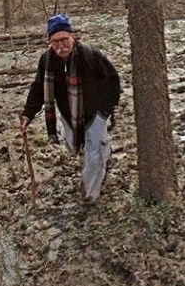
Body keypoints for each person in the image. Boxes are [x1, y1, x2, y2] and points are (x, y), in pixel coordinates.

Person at [20, 13, 121, 203]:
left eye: (64, 39)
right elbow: (38, 89)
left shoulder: (90, 55)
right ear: (49, 42)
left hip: (95, 113)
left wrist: (105, 111)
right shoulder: (47, 61)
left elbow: (113, 81)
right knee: (74, 146)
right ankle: (99, 155)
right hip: (68, 115)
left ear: (72, 36)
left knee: (94, 152)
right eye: (55, 41)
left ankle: (90, 194)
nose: (60, 46)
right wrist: (27, 115)